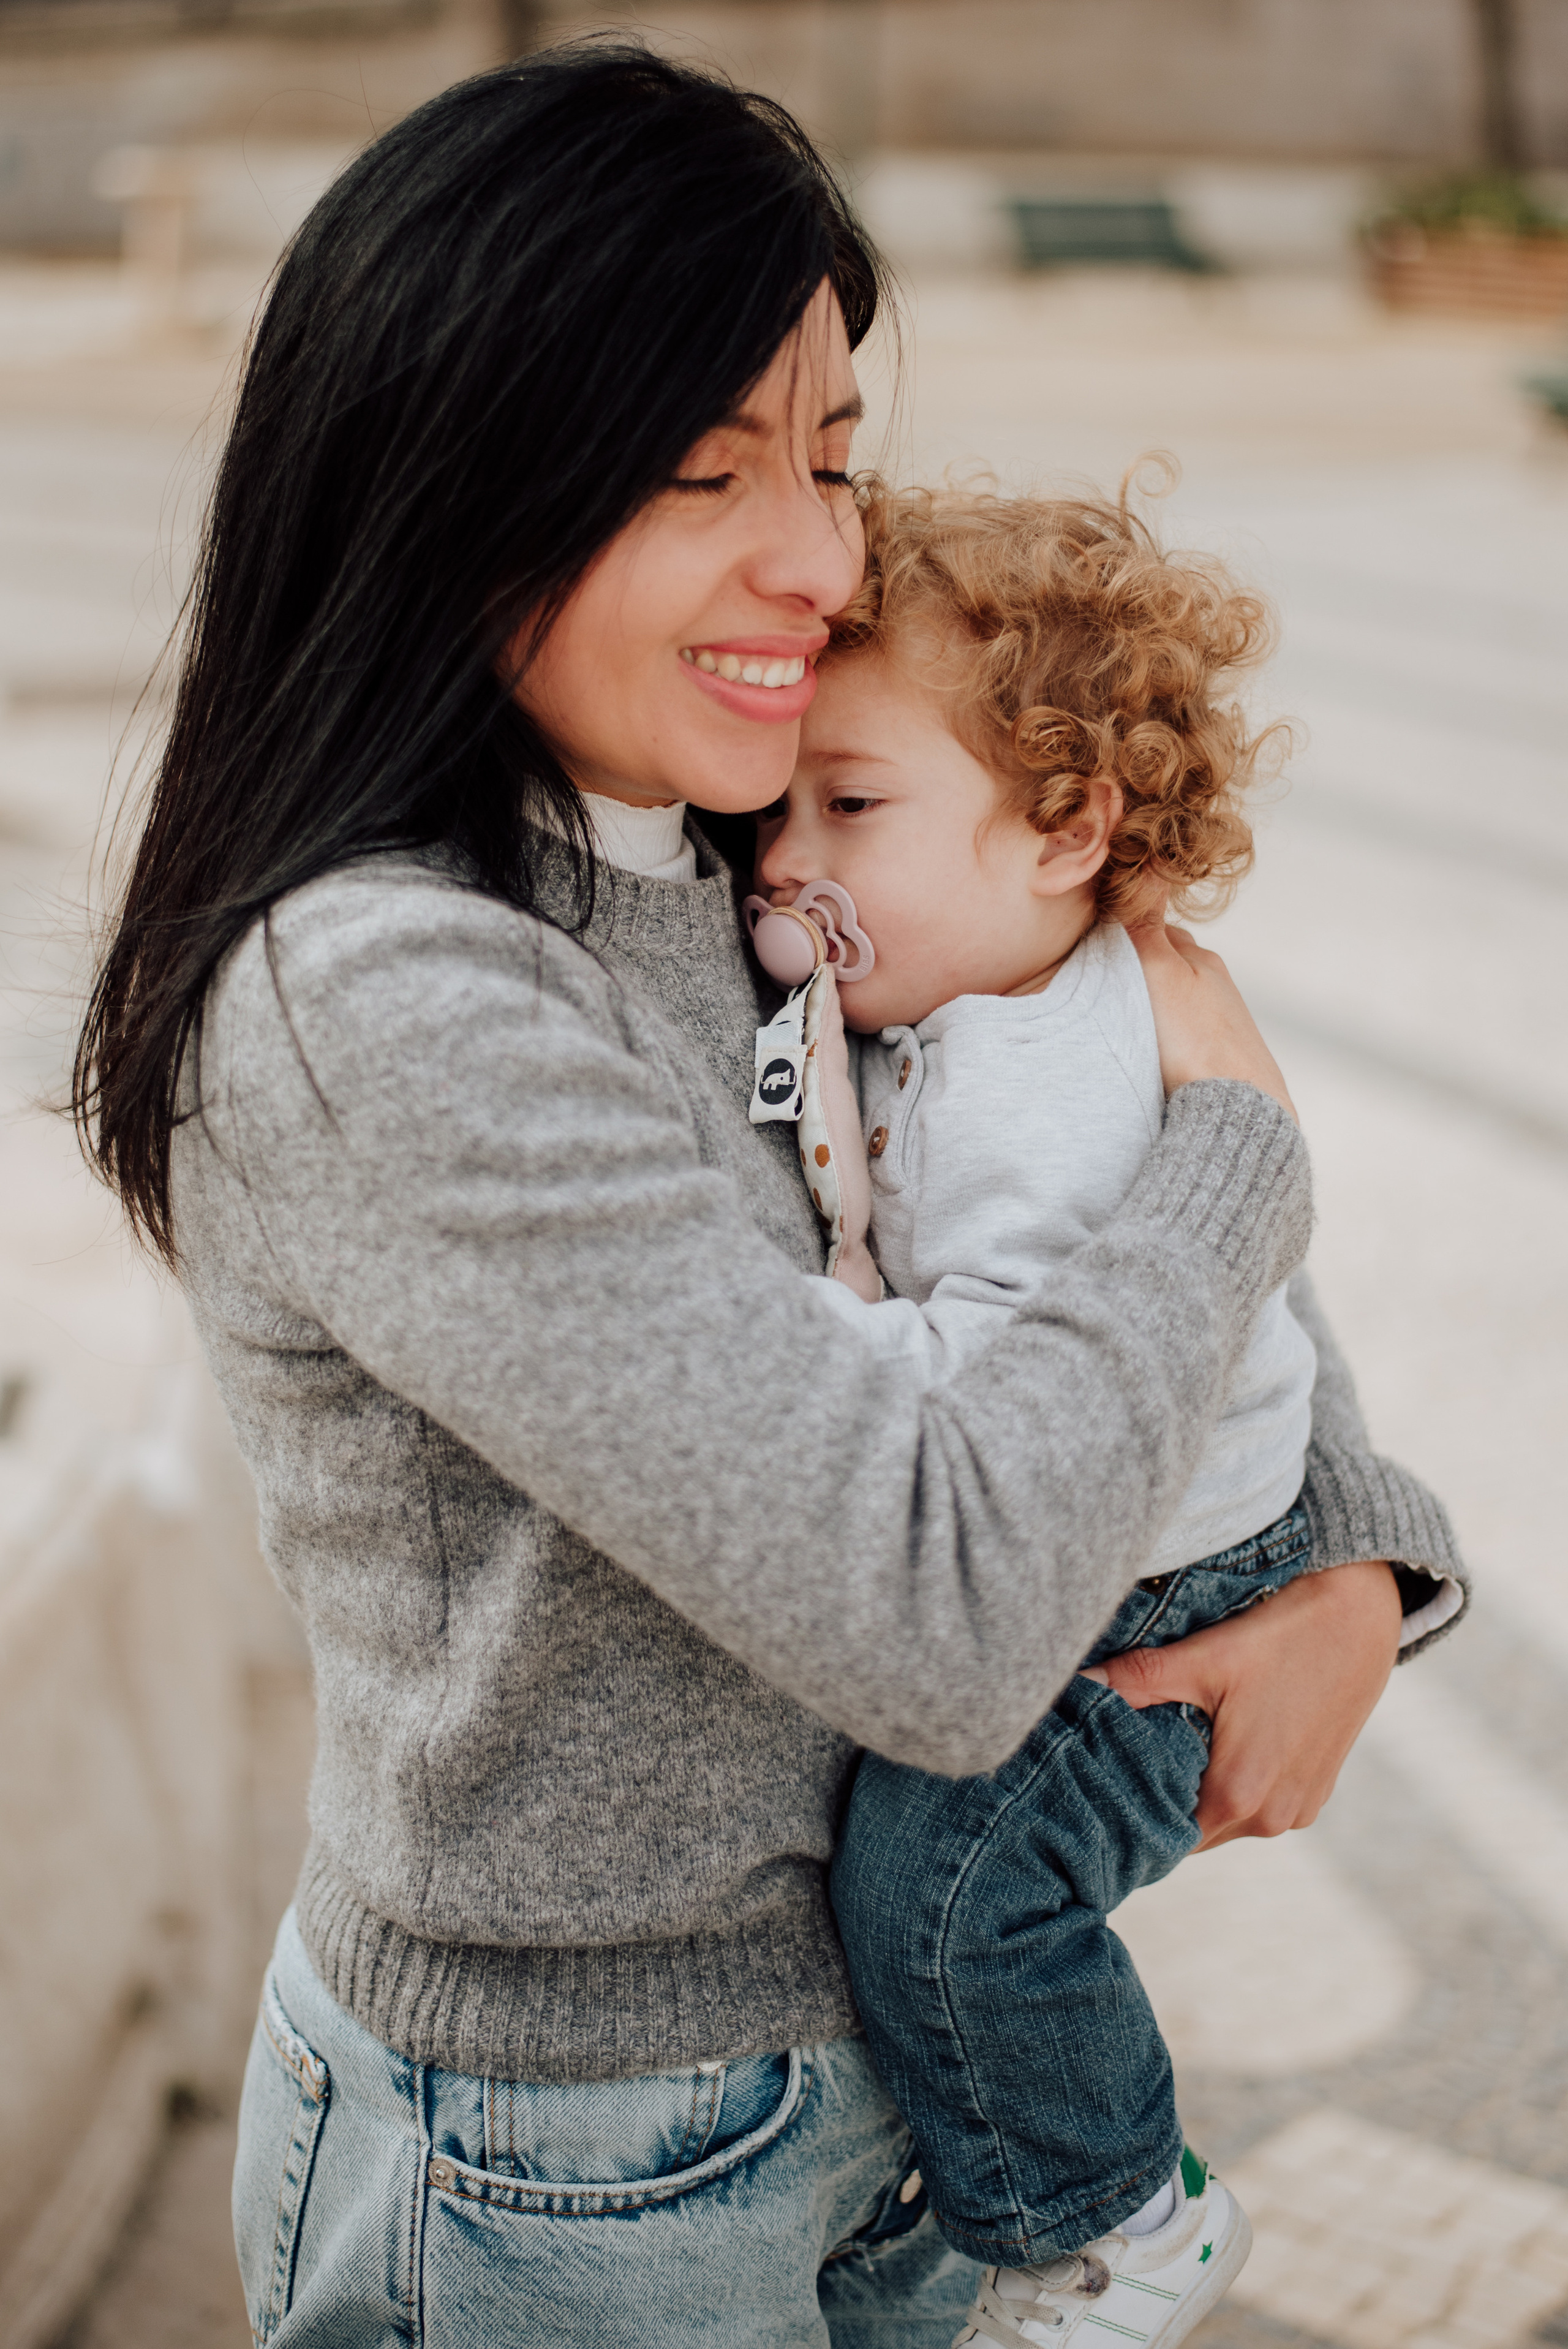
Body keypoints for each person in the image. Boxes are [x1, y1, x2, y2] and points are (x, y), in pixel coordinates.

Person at [70, 46, 1463, 2349]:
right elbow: (938, 1594)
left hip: (878, 2069)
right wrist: (1245, 1145)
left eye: (830, 452)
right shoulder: (383, 996)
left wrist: (1354, 1556)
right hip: (566, 2159)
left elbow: (1065, 1197)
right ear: (456, 488)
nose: (824, 564)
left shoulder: (745, 840)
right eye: (708, 471)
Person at [750, 483, 1464, 2347]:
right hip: (1145, 1532)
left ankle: (1116, 2216)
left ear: (1068, 825)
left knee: (954, 1890)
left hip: (1144, 1583)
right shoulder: (974, 986)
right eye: (778, 803)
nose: (779, 860)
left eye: (850, 804)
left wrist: (796, 1335)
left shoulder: (1039, 1093)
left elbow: (991, 1402)